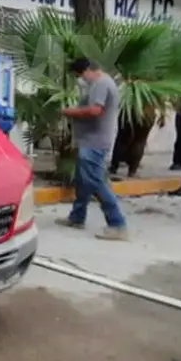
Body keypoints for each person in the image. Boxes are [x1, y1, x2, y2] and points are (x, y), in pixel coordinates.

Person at [55, 58, 128, 240]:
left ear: (87, 70)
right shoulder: (98, 83)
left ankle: (117, 224)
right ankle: (77, 217)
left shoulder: (101, 83)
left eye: (79, 75)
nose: (80, 79)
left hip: (96, 141)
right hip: (88, 140)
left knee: (95, 181)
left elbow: (96, 111)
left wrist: (68, 112)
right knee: (83, 180)